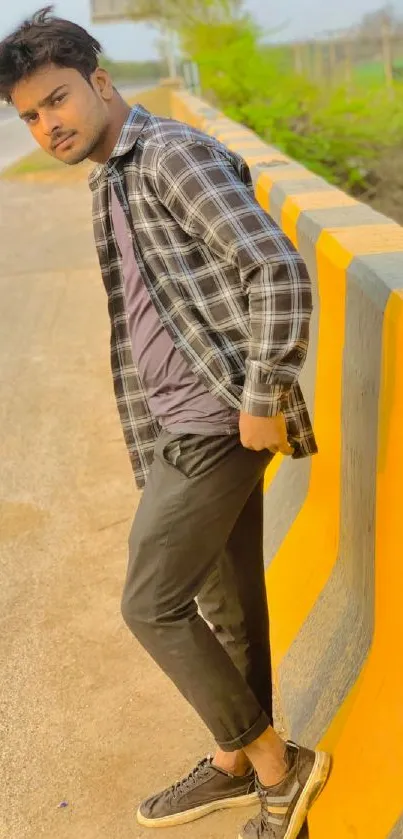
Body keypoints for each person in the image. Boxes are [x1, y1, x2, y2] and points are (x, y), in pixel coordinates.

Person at [0, 8, 331, 838]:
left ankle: (274, 766)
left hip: (215, 425)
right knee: (226, 602)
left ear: (101, 83)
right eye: (30, 116)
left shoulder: (169, 156)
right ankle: (233, 764)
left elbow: (278, 269)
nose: (48, 125)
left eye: (58, 101)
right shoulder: (113, 174)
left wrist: (260, 396)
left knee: (150, 602)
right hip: (177, 426)